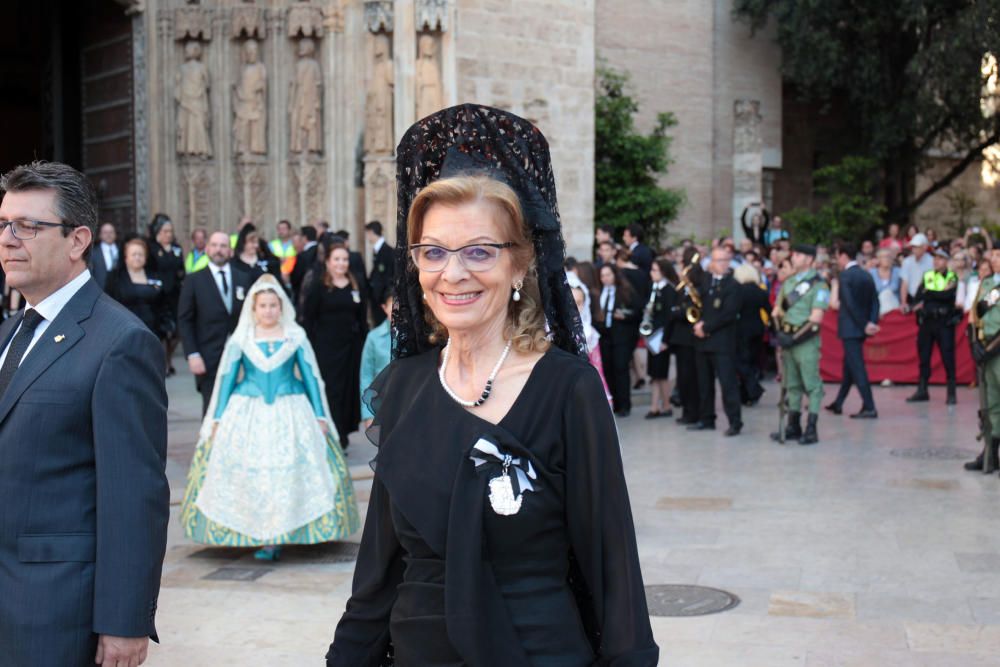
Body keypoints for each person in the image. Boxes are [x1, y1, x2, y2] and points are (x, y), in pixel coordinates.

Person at [328, 105, 657, 666]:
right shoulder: (404, 387)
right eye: (432, 251)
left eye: (480, 250)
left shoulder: (568, 390)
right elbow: (377, 576)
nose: (452, 273)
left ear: (522, 263)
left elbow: (612, 569)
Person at [0, 160, 168, 666]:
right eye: (3, 224)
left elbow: (134, 497)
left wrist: (124, 621)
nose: (9, 239)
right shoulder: (10, 332)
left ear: (77, 241)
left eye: (28, 226)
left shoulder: (121, 342)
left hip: (54, 610)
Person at [179, 275, 360, 561]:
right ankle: (254, 532)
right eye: (262, 305)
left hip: (291, 410)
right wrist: (216, 419)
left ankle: (283, 533)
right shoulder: (242, 339)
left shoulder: (295, 336)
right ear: (253, 309)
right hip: (247, 412)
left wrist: (320, 415)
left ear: (281, 306)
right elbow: (226, 381)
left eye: (273, 305)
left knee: (291, 470)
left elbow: (312, 377)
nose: (268, 310)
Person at [178, 231, 254, 414]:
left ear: (230, 251)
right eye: (214, 245)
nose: (218, 250)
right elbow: (184, 319)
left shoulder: (244, 278)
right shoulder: (193, 280)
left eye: (223, 246)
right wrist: (192, 354)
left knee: (241, 408)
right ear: (207, 249)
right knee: (213, 409)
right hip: (208, 355)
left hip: (242, 356)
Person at [302, 241, 368, 446]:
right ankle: (330, 434)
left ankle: (343, 433)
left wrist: (363, 345)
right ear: (328, 262)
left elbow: (362, 317)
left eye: (345, 259)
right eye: (337, 259)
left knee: (347, 391)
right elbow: (308, 319)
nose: (341, 263)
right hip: (325, 349)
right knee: (330, 391)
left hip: (350, 348)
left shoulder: (355, 283)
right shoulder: (318, 286)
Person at [770, 244, 830, 445]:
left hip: (806, 342)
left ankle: (811, 429)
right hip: (787, 340)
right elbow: (777, 311)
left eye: (798, 255)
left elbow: (816, 318)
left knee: (812, 386)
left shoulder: (819, 285)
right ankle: (793, 426)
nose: (793, 257)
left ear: (809, 259)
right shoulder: (788, 283)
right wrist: (779, 333)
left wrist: (794, 339)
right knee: (792, 384)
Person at [690, 247, 742, 436]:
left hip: (722, 342)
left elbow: (728, 314)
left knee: (728, 384)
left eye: (722, 260)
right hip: (702, 342)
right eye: (715, 260)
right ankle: (707, 418)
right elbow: (696, 300)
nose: (718, 264)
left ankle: (735, 421)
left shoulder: (733, 285)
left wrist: (705, 327)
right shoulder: (706, 281)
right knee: (704, 383)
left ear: (728, 262)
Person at [826, 242, 880, 418]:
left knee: (856, 367)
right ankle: (839, 403)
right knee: (849, 366)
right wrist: (870, 321)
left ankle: (869, 406)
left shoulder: (845, 276)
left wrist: (864, 323)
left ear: (843, 256)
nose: (837, 260)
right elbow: (875, 302)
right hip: (861, 329)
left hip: (851, 328)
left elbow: (849, 304)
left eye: (837, 257)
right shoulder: (866, 275)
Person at [907, 248, 960, 404]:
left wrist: (929, 293)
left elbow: (947, 296)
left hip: (944, 321)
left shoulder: (952, 277)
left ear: (946, 261)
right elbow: (917, 297)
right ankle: (922, 390)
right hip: (927, 322)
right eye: (935, 258)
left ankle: (951, 392)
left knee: (947, 356)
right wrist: (934, 294)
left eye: (940, 259)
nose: (936, 261)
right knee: (924, 356)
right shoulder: (928, 276)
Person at [965, 249, 1000, 474]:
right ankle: (990, 454)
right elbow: (978, 315)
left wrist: (991, 348)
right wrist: (975, 344)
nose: (993, 259)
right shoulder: (993, 288)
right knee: (990, 404)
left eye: (998, 255)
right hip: (988, 350)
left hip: (996, 350)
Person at [597, 262, 642, 416]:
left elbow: (637, 311)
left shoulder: (625, 291)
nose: (605, 278)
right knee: (608, 369)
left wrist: (624, 315)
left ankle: (624, 405)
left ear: (615, 275)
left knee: (621, 369)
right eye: (602, 275)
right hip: (605, 336)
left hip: (622, 336)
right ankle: (614, 403)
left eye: (608, 274)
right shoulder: (600, 292)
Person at [669, 246, 703, 424]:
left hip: (689, 338)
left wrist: (676, 312)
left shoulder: (694, 288)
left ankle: (693, 413)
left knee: (690, 378)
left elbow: (688, 311)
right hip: (681, 339)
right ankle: (687, 412)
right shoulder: (683, 288)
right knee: (684, 378)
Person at [147, 215, 185, 374]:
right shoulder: (152, 248)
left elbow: (181, 269)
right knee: (161, 333)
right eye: (165, 231)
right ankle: (164, 364)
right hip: (158, 297)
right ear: (158, 232)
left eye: (170, 231)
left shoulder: (176, 248)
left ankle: (168, 358)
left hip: (175, 295)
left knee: (177, 333)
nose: (169, 234)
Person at [108, 238, 168, 337]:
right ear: (126, 257)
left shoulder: (154, 276)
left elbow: (163, 303)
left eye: (140, 254)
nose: (137, 257)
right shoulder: (115, 278)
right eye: (134, 254)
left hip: (152, 332)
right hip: (124, 332)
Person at [733, 262, 769, 406]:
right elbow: (768, 309)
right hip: (758, 329)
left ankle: (753, 389)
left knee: (740, 362)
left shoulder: (738, 291)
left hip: (742, 329)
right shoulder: (761, 291)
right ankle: (747, 395)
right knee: (752, 362)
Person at [645, 258, 676, 418]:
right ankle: (657, 406)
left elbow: (669, 318)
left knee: (661, 373)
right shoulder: (653, 288)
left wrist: (665, 340)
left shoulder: (669, 290)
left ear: (663, 272)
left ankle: (665, 405)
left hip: (661, 337)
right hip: (653, 336)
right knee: (655, 373)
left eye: (655, 270)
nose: (652, 273)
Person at [359, 288, 393, 429]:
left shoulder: (416, 337)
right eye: (393, 305)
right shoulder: (373, 338)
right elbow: (366, 376)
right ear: (384, 308)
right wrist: (368, 413)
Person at [365, 220, 395, 326]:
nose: (367, 237)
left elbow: (388, 276)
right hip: (377, 298)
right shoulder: (378, 249)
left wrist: (383, 297)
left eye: (367, 234)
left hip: (382, 299)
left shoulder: (388, 251)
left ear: (371, 232)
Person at [900, 232, 934, 311]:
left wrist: (924, 302)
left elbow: (931, 284)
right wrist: (903, 302)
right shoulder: (907, 261)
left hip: (926, 298)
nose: (914, 249)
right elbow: (904, 283)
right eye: (913, 247)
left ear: (925, 247)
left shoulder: (932, 261)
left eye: (917, 247)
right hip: (910, 298)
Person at [870, 247, 902, 316]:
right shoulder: (872, 273)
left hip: (894, 304)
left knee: (886, 293)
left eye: (889, 257)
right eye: (884, 257)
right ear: (878, 259)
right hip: (878, 304)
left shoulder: (898, 271)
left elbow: (900, 289)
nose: (887, 259)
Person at [89, 221, 119, 291]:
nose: (108, 235)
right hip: (101, 290)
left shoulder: (122, 250)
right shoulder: (93, 253)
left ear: (115, 234)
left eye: (111, 232)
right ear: (100, 235)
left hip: (119, 292)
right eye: (105, 232)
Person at [290, 224, 318, 297]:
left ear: (304, 238)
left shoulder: (302, 256)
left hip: (304, 292)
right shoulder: (322, 251)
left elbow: (296, 277)